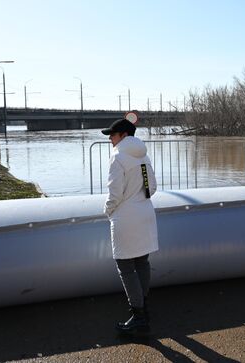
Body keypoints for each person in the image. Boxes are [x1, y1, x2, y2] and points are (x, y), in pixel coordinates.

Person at [101, 118, 158, 334]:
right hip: (145, 212)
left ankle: (138, 317)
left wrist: (108, 210)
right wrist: (137, 199)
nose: (109, 139)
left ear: (123, 135)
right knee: (142, 261)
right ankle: (144, 307)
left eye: (112, 135)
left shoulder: (118, 157)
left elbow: (114, 194)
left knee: (125, 266)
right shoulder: (143, 155)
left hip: (126, 217)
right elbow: (151, 187)